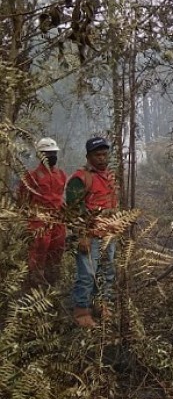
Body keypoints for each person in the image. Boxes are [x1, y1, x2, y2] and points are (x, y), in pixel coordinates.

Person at [66, 137, 118, 328]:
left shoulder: (109, 176)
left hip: (108, 236)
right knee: (87, 275)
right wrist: (82, 236)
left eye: (105, 154)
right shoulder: (80, 179)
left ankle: (102, 306)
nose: (102, 159)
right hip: (90, 238)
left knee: (107, 273)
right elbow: (72, 211)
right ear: (88, 156)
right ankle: (81, 312)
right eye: (97, 155)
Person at [17, 137, 67, 289]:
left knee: (57, 249)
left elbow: (60, 196)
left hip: (58, 220)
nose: (52, 156)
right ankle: (34, 285)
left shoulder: (61, 174)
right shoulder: (31, 176)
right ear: (40, 155)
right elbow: (22, 198)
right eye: (48, 153)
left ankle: (51, 286)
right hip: (38, 220)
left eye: (54, 153)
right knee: (38, 251)